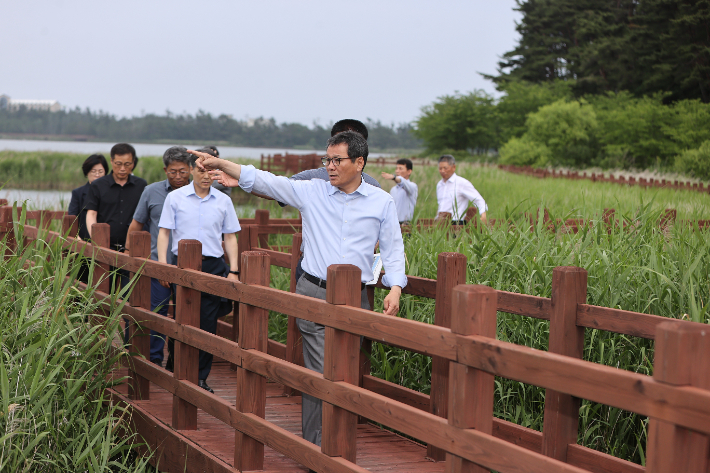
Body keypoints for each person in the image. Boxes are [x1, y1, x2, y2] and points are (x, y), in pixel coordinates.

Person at [189, 130, 406, 449]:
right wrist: (220, 162)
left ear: (359, 163)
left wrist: (396, 286)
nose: (330, 166)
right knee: (321, 372)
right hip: (314, 293)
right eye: (327, 160)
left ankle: (337, 439)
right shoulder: (312, 192)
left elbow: (393, 248)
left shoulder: (382, 201)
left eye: (337, 160)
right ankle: (318, 447)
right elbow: (263, 180)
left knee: (345, 371)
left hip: (356, 297)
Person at [157, 155, 240, 394]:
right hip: (181, 265)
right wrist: (163, 265)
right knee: (181, 318)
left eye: (211, 172)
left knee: (207, 324)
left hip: (213, 266)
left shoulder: (223, 201)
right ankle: (176, 365)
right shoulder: (175, 198)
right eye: (201, 171)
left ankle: (201, 377)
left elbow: (231, 237)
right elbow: (164, 233)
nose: (206, 176)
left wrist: (233, 270)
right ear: (192, 171)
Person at [125, 146, 191, 367]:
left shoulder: (198, 194)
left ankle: (179, 363)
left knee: (187, 318)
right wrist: (127, 251)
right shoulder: (151, 191)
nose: (178, 177)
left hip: (189, 267)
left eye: (183, 171)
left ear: (190, 169)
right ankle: (152, 362)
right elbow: (137, 223)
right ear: (165, 170)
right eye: (173, 172)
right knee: (155, 315)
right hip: (157, 265)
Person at [85, 143, 148, 252]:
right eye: (118, 164)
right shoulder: (98, 185)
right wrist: (96, 238)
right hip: (104, 246)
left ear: (133, 163)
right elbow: (91, 213)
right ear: (111, 161)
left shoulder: (141, 185)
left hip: (133, 247)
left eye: (127, 164)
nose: (122, 169)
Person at [436, 154, 488, 225]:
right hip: (440, 222)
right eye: (440, 168)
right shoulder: (439, 185)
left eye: (445, 168)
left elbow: (478, 199)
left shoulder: (462, 183)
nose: (442, 171)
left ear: (453, 167)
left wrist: (483, 214)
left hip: (456, 223)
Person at [68, 154, 109, 241]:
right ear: (87, 172)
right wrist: (78, 239)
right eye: (93, 171)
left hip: (108, 240)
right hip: (83, 240)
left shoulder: (111, 192)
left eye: (100, 171)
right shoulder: (78, 193)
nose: (97, 175)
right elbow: (72, 217)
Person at [381, 158, 418, 225]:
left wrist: (394, 178)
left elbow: (402, 182)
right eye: (397, 168)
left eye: (400, 169)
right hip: (393, 223)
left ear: (409, 171)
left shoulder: (412, 187)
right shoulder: (393, 189)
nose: (397, 171)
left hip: (406, 223)